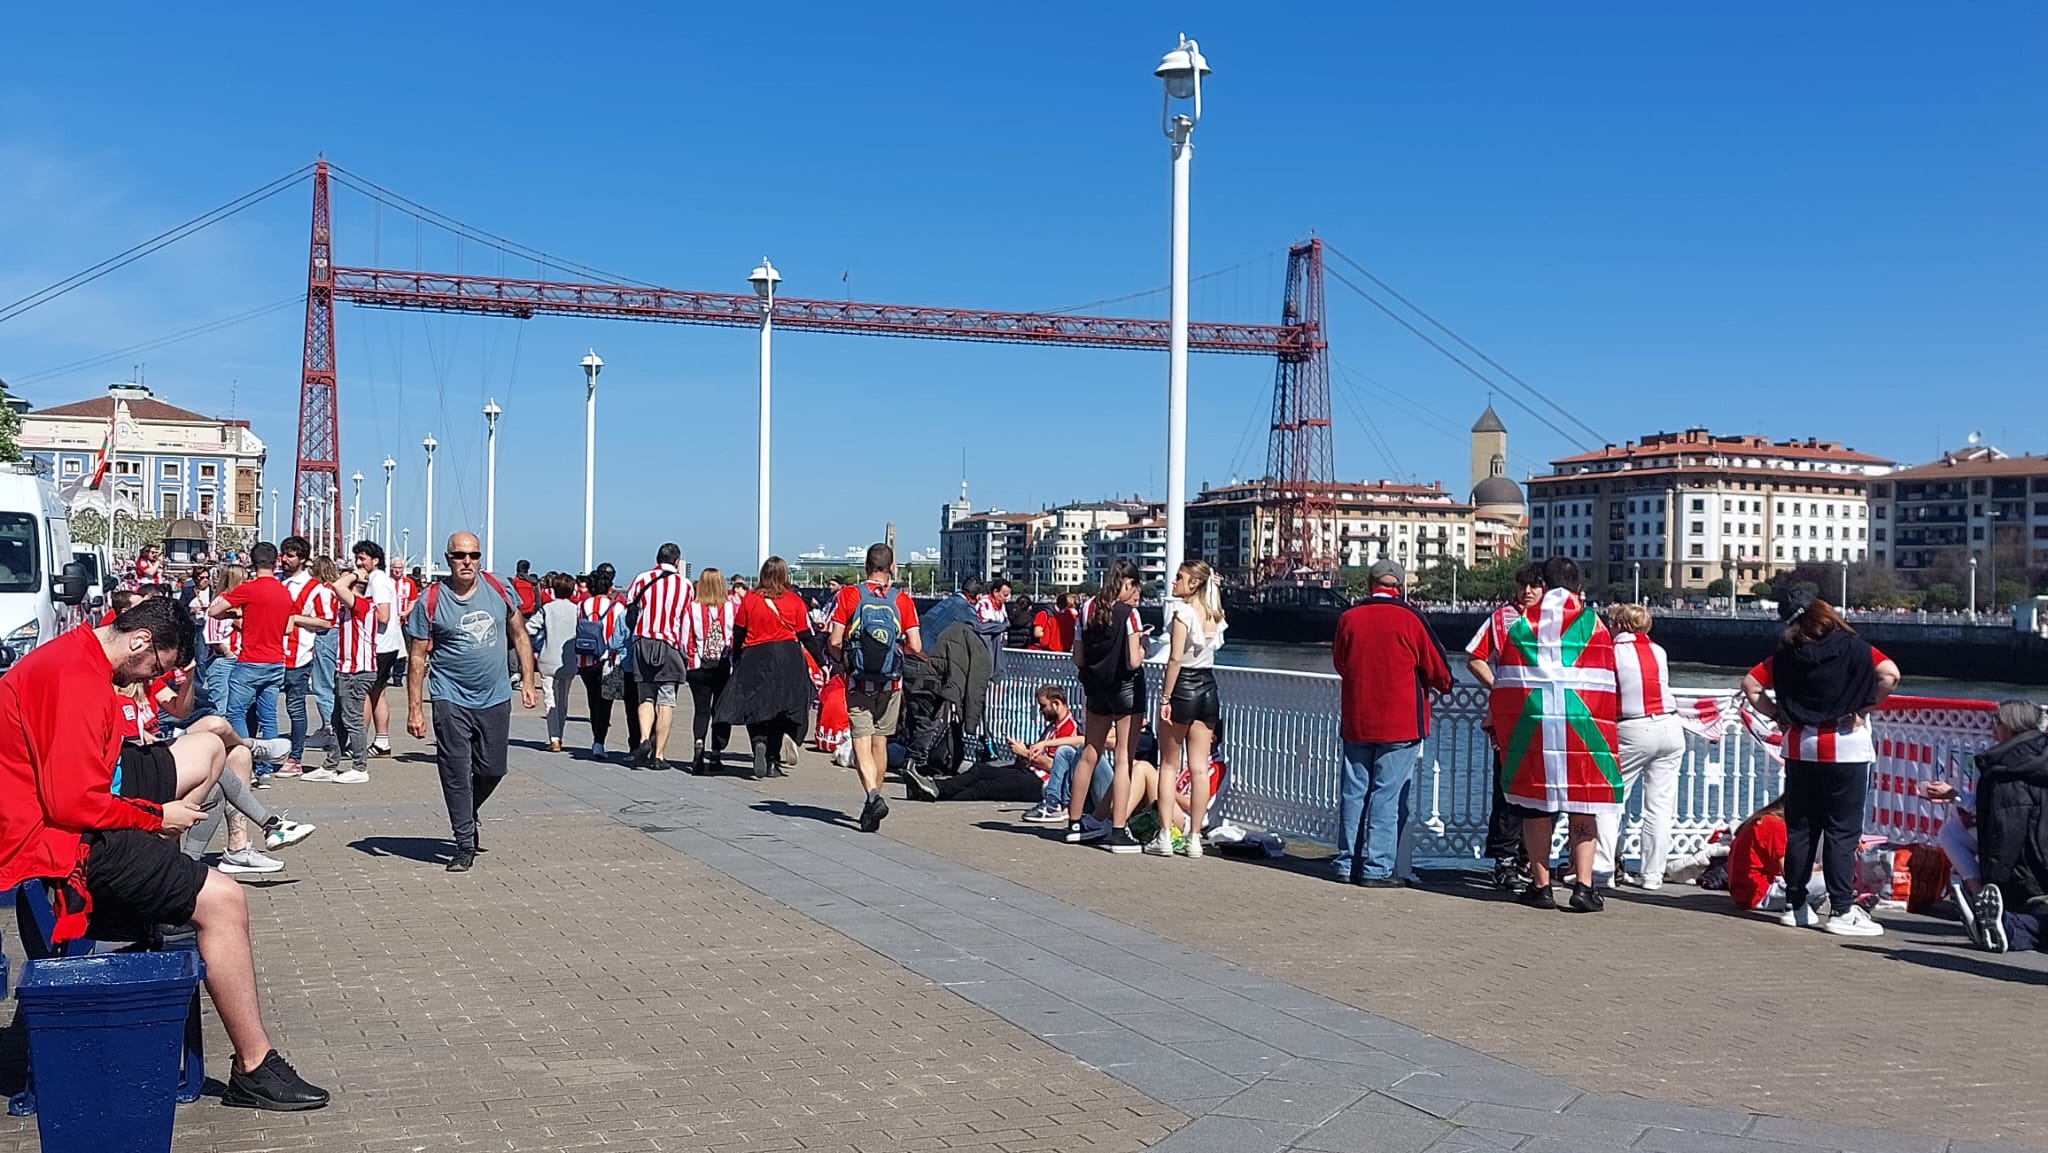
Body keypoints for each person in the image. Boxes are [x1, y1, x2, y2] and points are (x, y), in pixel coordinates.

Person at [0, 597, 329, 1110]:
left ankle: (169, 886)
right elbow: (72, 802)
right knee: (224, 901)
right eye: (157, 668)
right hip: (58, 847)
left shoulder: (72, 655)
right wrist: (156, 818)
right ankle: (253, 1068)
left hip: (59, 828)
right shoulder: (77, 679)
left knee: (208, 758)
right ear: (141, 641)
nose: (152, 678)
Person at [1739, 589, 1899, 937]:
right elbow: (1889, 675)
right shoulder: (1854, 646)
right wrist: (1862, 707)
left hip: (1801, 747)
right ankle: (1842, 909)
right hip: (1847, 749)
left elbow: (1751, 685)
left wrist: (1779, 715)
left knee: (1801, 829)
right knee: (1842, 831)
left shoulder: (1786, 654)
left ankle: (1795, 905)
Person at [404, 532, 539, 873]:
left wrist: (528, 681)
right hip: (450, 696)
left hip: (495, 695)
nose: (467, 561)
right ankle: (464, 842)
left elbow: (520, 634)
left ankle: (466, 811)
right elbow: (417, 657)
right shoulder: (430, 600)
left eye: (474, 555)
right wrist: (415, 708)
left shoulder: (498, 588)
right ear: (448, 558)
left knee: (493, 768)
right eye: (460, 555)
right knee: (455, 772)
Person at [1495, 556, 1623, 913]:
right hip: (1584, 730)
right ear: (1577, 586)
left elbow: (1508, 685)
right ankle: (1583, 886)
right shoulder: (1594, 625)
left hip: (1534, 729)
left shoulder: (1523, 625)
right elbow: (1607, 680)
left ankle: (1540, 886)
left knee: (1535, 808)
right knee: (1584, 806)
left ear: (1545, 584)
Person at [1329, 559, 1452, 886]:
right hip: (1401, 722)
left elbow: (1340, 662)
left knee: (1354, 792)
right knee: (1387, 794)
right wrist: (1442, 684)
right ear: (1399, 586)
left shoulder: (1349, 618)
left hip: (1357, 718)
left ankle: (1346, 863)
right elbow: (1438, 668)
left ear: (1370, 585)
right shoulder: (1411, 618)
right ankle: (1376, 868)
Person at [827, 544, 924, 830]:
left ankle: (872, 795)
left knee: (861, 740)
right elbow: (915, 645)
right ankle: (874, 802)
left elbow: (835, 640)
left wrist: (842, 661)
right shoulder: (902, 600)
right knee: (880, 741)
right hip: (891, 682)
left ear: (865, 565)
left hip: (859, 680)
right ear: (892, 567)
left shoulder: (850, 595)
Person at [1593, 604, 1687, 890]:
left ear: (1619, 625)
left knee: (1610, 800)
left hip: (1633, 728)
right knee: (1659, 807)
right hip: (1670, 727)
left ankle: (1603, 869)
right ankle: (1652, 876)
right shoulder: (1659, 651)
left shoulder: (1611, 651)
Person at [1464, 563, 1546, 891]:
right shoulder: (1502, 619)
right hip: (1512, 720)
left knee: (1545, 790)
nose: (1527, 591)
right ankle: (1505, 859)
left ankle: (1532, 859)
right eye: (1522, 585)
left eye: (1534, 585)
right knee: (1508, 788)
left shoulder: (1556, 620)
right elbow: (1475, 657)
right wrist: (1499, 687)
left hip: (1548, 718)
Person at [1067, 558, 1148, 852]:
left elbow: (1078, 657)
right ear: (1128, 583)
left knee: (1090, 752)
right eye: (1135, 586)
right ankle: (1117, 830)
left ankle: (1075, 824)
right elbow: (1134, 661)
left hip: (1096, 689)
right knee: (1124, 758)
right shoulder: (1130, 614)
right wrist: (1144, 645)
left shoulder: (1087, 608)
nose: (1136, 592)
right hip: (1126, 689)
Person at [717, 556, 820, 783]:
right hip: (788, 657)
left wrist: (737, 657)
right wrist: (821, 662)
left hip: (756, 655)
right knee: (781, 708)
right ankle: (773, 760)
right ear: (784, 575)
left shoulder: (750, 599)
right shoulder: (794, 600)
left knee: (754, 705)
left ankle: (758, 742)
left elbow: (739, 631)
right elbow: (806, 635)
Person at [1152, 561, 1227, 859]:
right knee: (1199, 767)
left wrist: (1165, 698)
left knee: (1168, 765)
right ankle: (1195, 838)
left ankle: (1165, 836)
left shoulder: (1183, 613)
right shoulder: (1214, 613)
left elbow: (1175, 659)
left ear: (1194, 583)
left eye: (1179, 577)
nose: (1174, 582)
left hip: (1184, 686)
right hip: (1208, 686)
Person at [306, 544, 389, 784]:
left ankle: (360, 767)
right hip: (345, 669)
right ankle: (331, 764)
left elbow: (337, 586)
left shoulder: (363, 605)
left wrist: (355, 574)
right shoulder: (350, 607)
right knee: (338, 721)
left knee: (353, 721)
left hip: (357, 671)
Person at [1961, 700, 2048, 928]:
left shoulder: (2006, 770)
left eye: (1996, 720)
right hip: (2041, 859)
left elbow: (2007, 830)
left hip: (2028, 870)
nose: (1992, 726)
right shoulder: (2039, 758)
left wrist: (1994, 881)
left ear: (2010, 725)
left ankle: (2000, 923)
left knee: (2029, 926)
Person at [208, 541, 292, 745]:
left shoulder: (248, 589)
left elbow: (214, 611)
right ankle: (269, 759)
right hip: (276, 659)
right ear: (276, 561)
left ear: (252, 562)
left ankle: (245, 752)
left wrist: (235, 614)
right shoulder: (284, 592)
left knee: (236, 712)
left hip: (251, 659)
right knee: (268, 715)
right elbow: (287, 627)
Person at [623, 543, 692, 769]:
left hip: (642, 641)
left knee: (645, 696)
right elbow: (685, 621)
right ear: (677, 562)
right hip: (669, 644)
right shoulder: (685, 585)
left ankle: (644, 738)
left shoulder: (641, 579)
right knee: (666, 700)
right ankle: (659, 754)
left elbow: (629, 608)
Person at [273, 537, 336, 778]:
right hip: (270, 653)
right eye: (283, 554)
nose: (285, 559)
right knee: (262, 707)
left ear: (302, 559)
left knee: (295, 707)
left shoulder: (315, 588)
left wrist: (295, 618)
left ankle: (295, 758)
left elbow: (326, 622)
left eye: (290, 555)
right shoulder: (275, 582)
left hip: (297, 655)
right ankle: (262, 755)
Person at [682, 568, 738, 774]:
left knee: (701, 710)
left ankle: (699, 743)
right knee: (720, 710)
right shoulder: (731, 608)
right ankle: (716, 754)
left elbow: (684, 640)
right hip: (723, 667)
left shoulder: (692, 608)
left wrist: (692, 658)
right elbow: (736, 638)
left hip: (699, 667)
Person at [1724, 797, 1824, 912]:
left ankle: (1808, 902)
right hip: (1759, 893)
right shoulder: (1774, 824)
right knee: (1825, 882)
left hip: (1743, 891)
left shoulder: (1762, 819)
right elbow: (1789, 871)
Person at [1017, 684, 1093, 823]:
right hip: (1034, 770)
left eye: (1043, 706)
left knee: (986, 785)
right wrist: (1040, 745)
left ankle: (1056, 805)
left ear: (1056, 703)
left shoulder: (1069, 726)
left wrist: (1025, 752)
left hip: (1042, 776)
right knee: (982, 772)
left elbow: (1053, 764)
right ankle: (1054, 802)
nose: (1041, 711)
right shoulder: (1054, 726)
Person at [576, 567, 629, 757]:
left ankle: (596, 739)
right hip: (608, 659)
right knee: (605, 701)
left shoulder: (582, 605)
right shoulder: (617, 608)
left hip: (585, 659)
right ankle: (599, 740)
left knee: (592, 700)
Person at [369, 556, 415, 758]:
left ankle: (359, 742)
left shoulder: (381, 582)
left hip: (384, 641)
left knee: (368, 692)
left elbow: (383, 615)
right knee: (377, 692)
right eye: (395, 567)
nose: (397, 570)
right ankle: (380, 741)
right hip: (390, 639)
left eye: (400, 567)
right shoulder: (387, 581)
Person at [533, 573, 584, 752]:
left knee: (550, 698)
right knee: (563, 700)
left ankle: (554, 738)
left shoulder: (547, 609)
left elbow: (530, 627)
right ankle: (559, 735)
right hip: (569, 660)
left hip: (548, 658)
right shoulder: (577, 610)